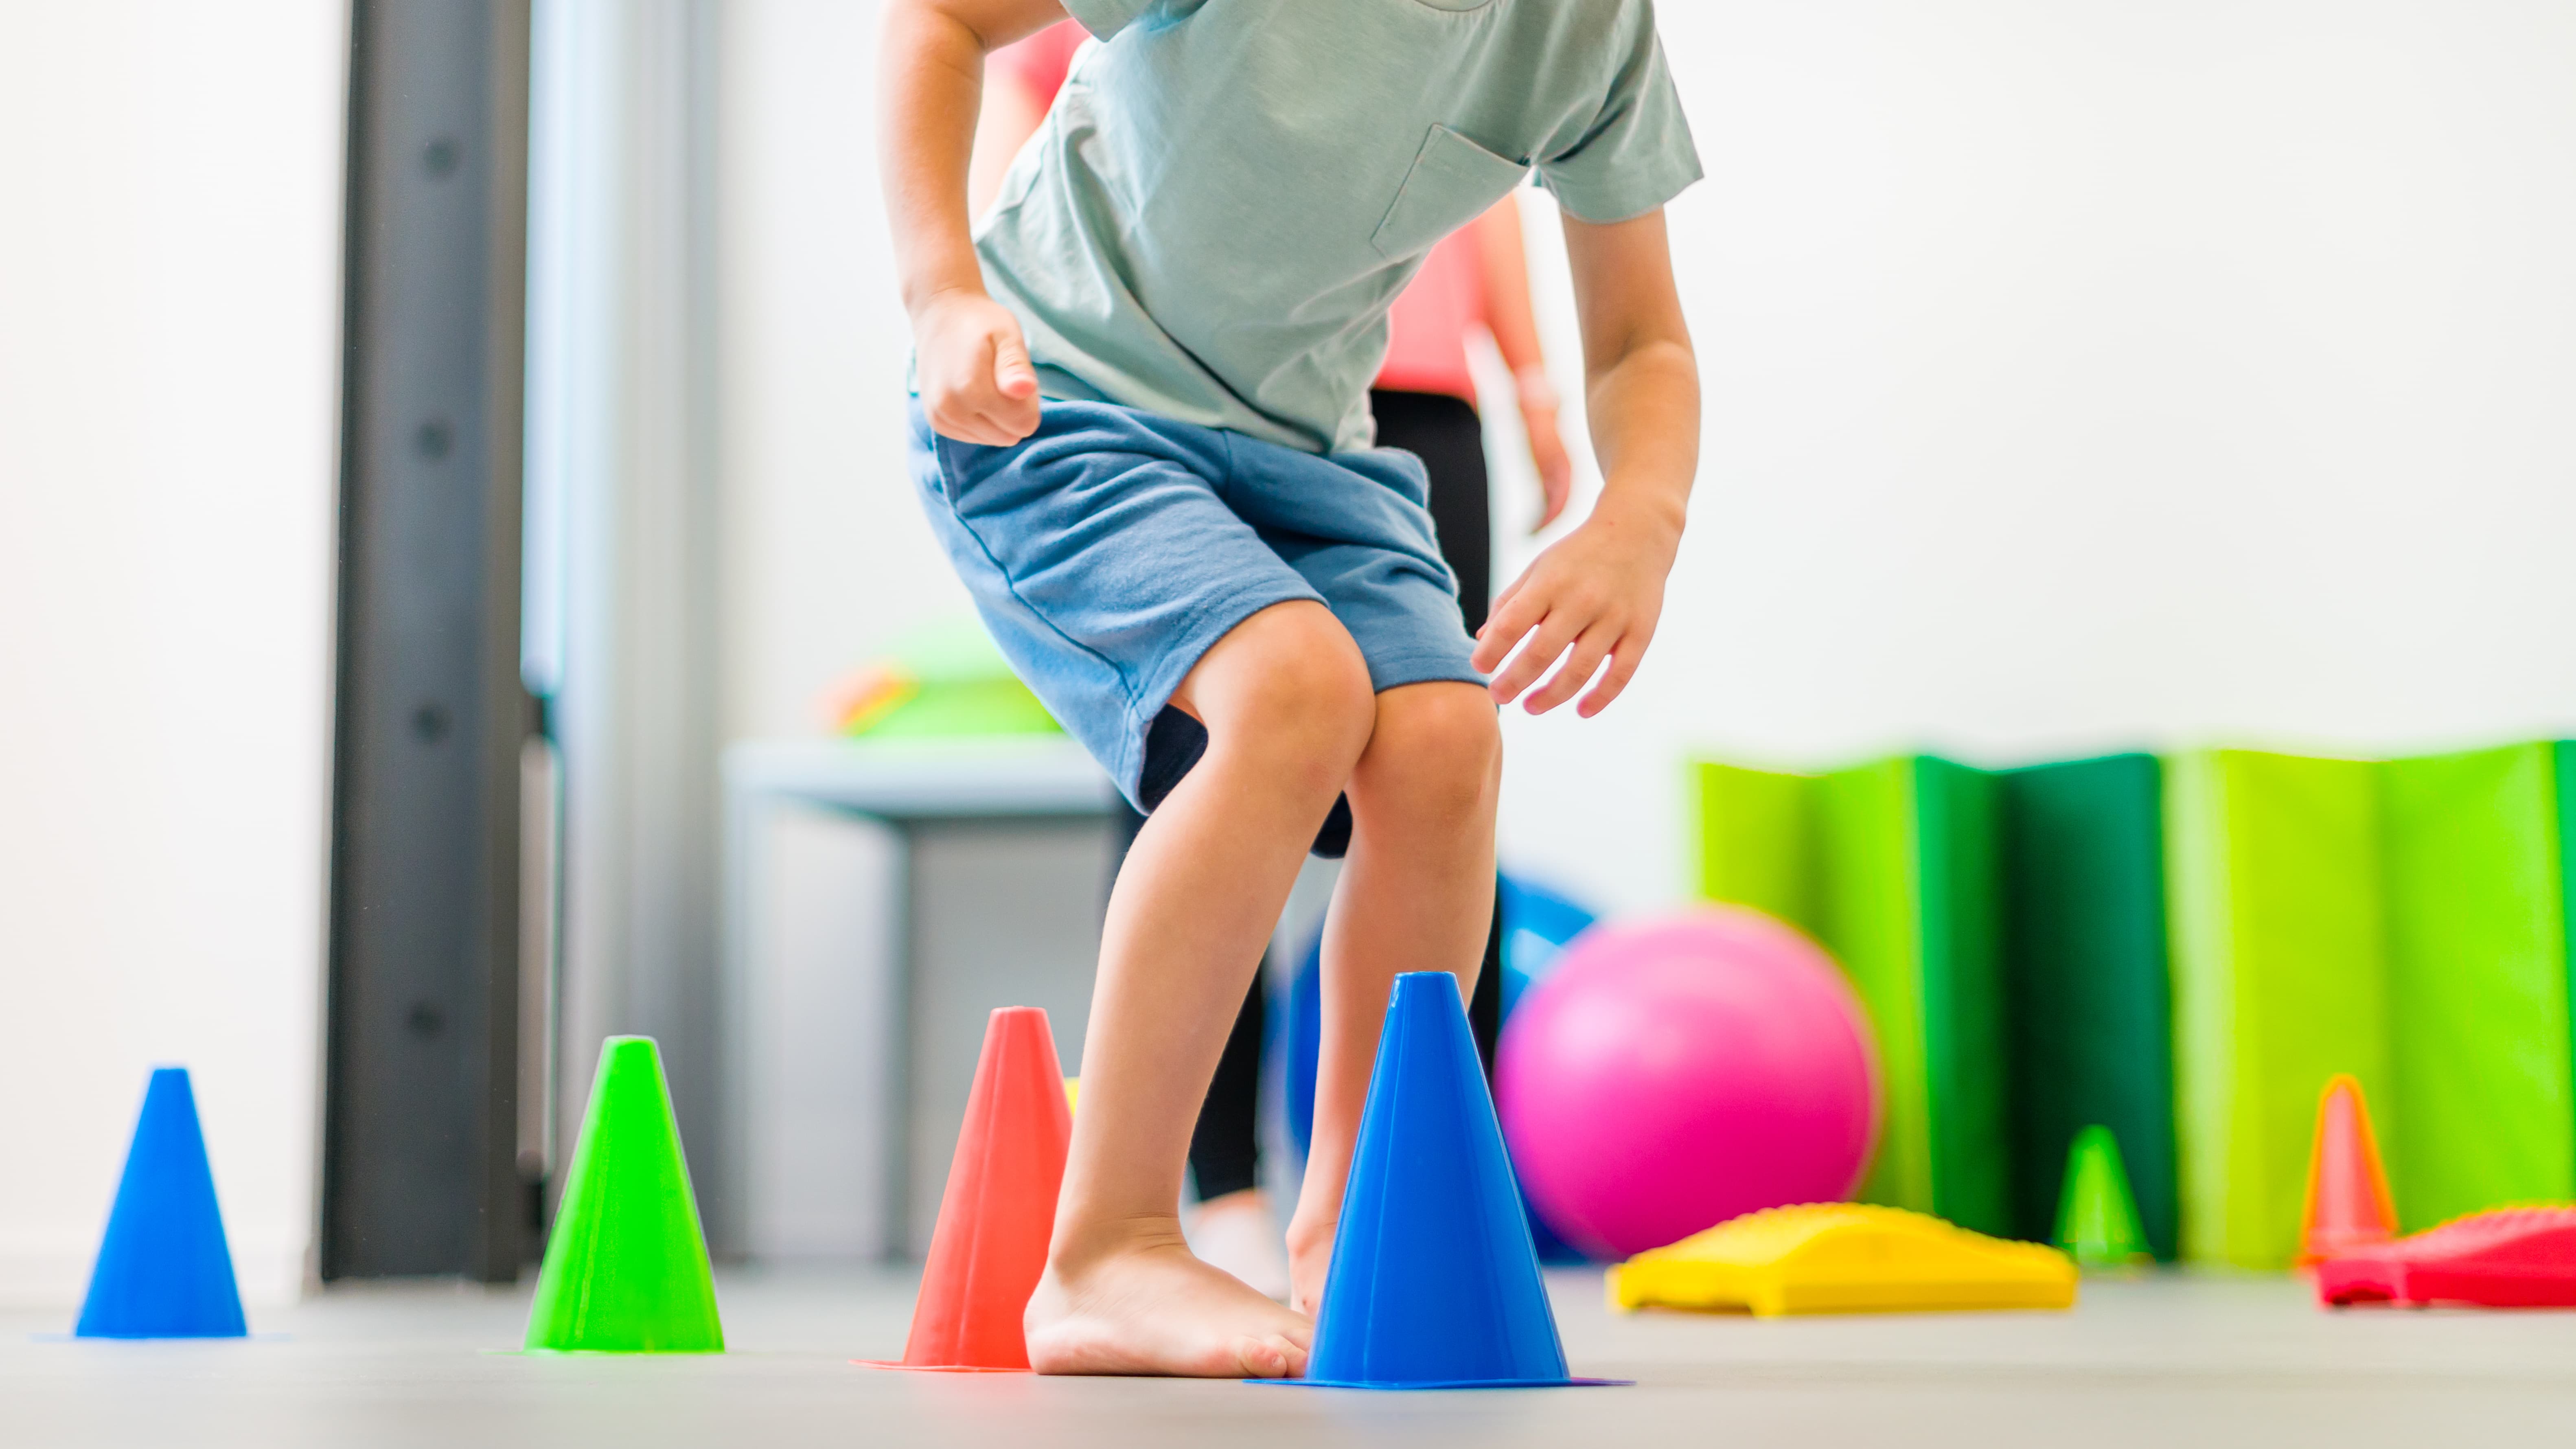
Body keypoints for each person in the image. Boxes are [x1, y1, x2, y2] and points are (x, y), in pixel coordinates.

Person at [881, 0, 1701, 1377]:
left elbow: (1642, 342)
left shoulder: (1589, 30)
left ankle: (1347, 1235)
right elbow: (942, 21)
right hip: (1062, 402)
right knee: (1295, 689)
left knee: (1444, 741)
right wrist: (941, 289)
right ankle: (1108, 1248)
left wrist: (1643, 519)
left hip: (1309, 451)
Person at [970, 20, 1581, 1307]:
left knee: (1440, 749)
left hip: (1395, 402)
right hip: (1158, 387)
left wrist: (1530, 374)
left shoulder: (1508, 46)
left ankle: (1398, 1201)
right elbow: (1024, 105)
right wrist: (972, 313)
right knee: (1221, 757)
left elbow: (1499, 195)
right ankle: (1212, 1196)